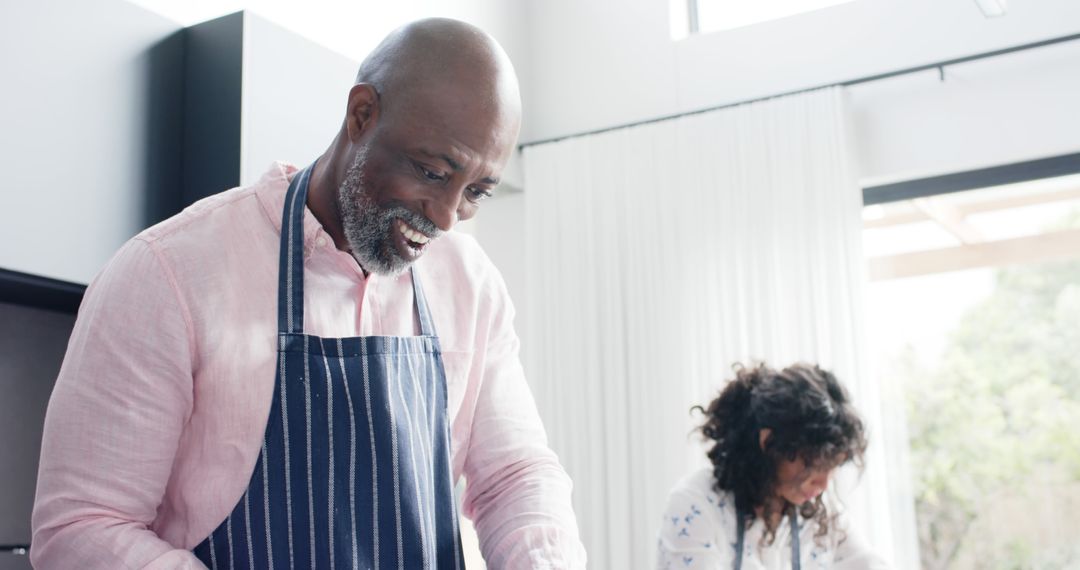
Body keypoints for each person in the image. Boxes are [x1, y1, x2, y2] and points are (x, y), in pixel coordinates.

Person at [31, 18, 586, 569]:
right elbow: (81, 527)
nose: (446, 218)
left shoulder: (471, 285)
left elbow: (517, 477)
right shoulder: (167, 273)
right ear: (361, 114)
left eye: (476, 193)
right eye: (432, 172)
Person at [656, 363, 889, 569]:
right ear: (769, 442)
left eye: (833, 466)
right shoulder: (696, 504)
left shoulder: (820, 513)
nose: (824, 483)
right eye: (813, 464)